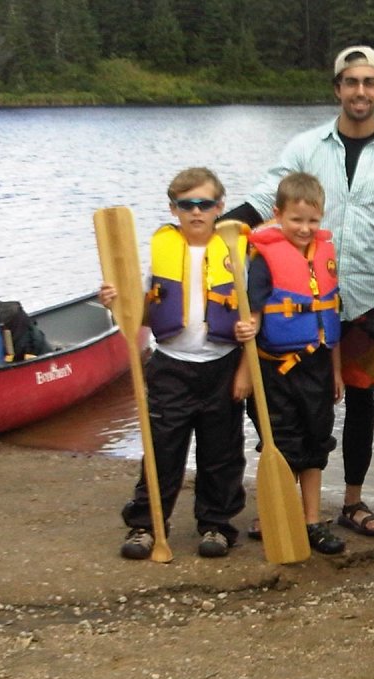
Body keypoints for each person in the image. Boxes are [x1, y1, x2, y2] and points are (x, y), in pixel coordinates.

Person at [224, 45, 374, 539]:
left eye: (369, 83)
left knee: (361, 402)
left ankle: (353, 502)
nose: (360, 91)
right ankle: (289, 501)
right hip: (296, 309)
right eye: (351, 82)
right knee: (289, 405)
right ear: (337, 89)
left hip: (367, 299)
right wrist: (213, 230)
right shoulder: (303, 149)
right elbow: (259, 203)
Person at [100, 167, 249, 560]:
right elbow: (142, 315)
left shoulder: (235, 252)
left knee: (222, 454)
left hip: (222, 366)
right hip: (171, 366)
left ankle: (217, 524)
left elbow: (253, 317)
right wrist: (118, 301)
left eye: (204, 204)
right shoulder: (161, 254)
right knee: (162, 449)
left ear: (220, 206)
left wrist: (246, 372)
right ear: (173, 208)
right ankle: (146, 525)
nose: (196, 212)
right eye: (187, 205)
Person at [233, 172, 346, 555]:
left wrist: (336, 371)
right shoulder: (263, 258)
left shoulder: (324, 255)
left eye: (313, 221)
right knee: (278, 444)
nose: (304, 228)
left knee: (316, 444)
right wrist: (245, 373)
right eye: (296, 220)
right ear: (278, 215)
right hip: (274, 370)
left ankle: (312, 520)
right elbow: (256, 319)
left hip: (316, 366)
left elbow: (328, 317)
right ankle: (274, 514)